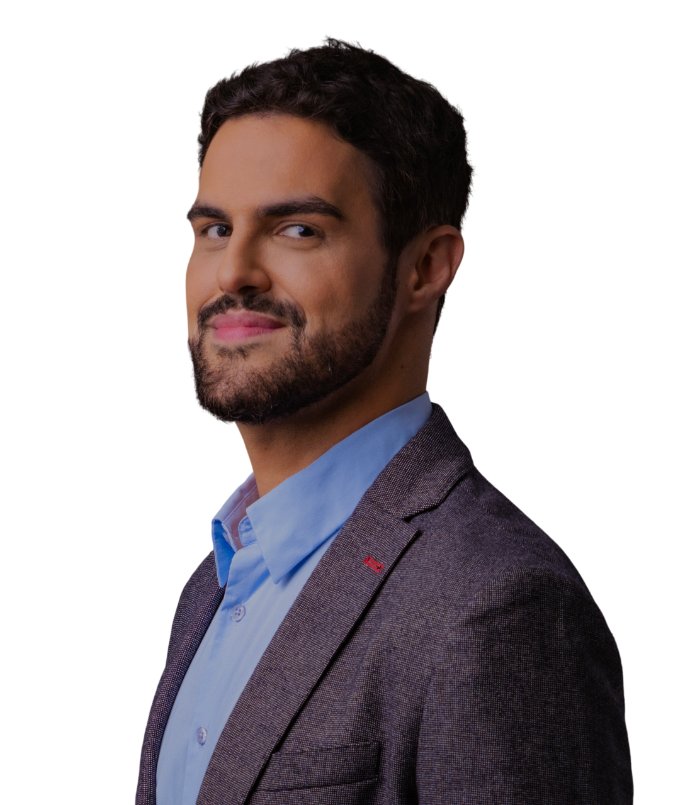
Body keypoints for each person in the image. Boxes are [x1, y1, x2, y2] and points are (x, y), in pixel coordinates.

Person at [135, 36, 633, 805]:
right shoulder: (213, 584)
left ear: (426, 266)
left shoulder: (496, 603)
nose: (232, 272)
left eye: (298, 229)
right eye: (215, 230)